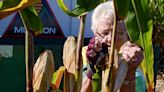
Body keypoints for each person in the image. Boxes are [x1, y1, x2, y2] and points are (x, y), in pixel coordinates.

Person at [81, 1, 145, 92]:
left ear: (127, 36)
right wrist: (92, 69)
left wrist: (130, 73)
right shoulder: (84, 55)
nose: (110, 39)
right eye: (105, 33)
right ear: (95, 34)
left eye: (118, 33)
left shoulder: (134, 60)